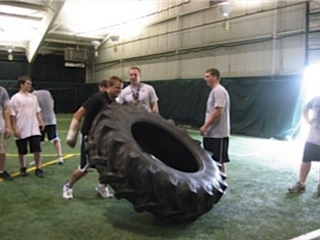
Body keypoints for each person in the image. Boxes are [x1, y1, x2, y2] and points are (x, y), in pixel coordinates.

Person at [63, 76, 123, 200]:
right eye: (117, 88)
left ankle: (102, 187)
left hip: (103, 139)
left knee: (108, 165)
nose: (119, 91)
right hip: (88, 137)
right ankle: (68, 186)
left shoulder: (114, 103)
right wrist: (71, 135)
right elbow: (78, 114)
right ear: (109, 86)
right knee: (85, 167)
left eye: (121, 89)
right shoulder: (97, 98)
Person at [10, 76, 45, 178]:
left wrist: (41, 122)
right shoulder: (15, 98)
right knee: (22, 150)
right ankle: (23, 167)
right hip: (21, 128)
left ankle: (38, 168)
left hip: (34, 129)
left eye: (30, 84)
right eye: (28, 84)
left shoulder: (33, 97)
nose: (30, 86)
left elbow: (38, 111)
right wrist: (15, 129)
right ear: (22, 84)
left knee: (37, 149)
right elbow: (12, 115)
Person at [200, 68, 230, 173]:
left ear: (215, 77)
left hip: (218, 134)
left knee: (219, 161)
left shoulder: (219, 91)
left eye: (208, 76)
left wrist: (205, 126)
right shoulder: (214, 91)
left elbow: (218, 111)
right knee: (211, 160)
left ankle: (221, 184)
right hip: (211, 133)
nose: (205, 79)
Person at [288, 96, 320, 194]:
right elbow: (305, 109)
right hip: (313, 138)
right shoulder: (316, 99)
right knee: (306, 160)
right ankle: (301, 184)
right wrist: (307, 120)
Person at [31, 88, 63, 165]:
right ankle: (60, 157)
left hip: (40, 121)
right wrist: (50, 112)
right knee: (55, 138)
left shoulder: (32, 96)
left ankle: (37, 160)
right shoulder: (47, 92)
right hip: (51, 119)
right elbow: (52, 102)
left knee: (38, 141)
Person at [0, 86, 13, 180]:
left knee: (2, 150)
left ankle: (1, 171)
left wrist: (8, 126)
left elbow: (6, 109)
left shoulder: (2, 91)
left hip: (0, 126)